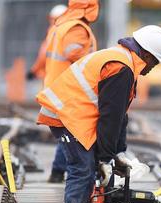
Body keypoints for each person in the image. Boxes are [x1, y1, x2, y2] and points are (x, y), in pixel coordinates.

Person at [36, 25, 161, 203]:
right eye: (154, 62)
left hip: (74, 114)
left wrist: (117, 152)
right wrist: (105, 159)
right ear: (147, 55)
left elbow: (120, 115)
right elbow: (110, 118)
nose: (153, 68)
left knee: (88, 167)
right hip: (67, 115)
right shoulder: (121, 68)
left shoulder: (124, 61)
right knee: (82, 169)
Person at [39, 0, 99, 184]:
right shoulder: (76, 28)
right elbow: (75, 55)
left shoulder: (62, 25)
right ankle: (62, 175)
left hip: (58, 87)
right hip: (68, 91)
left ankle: (58, 172)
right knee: (73, 133)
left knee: (68, 133)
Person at [26, 4, 68, 82]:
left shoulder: (53, 33)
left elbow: (43, 55)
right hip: (65, 79)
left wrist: (33, 71)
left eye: (53, 19)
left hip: (53, 79)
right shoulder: (71, 31)